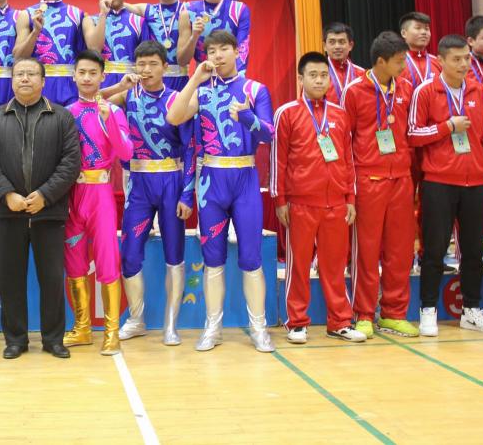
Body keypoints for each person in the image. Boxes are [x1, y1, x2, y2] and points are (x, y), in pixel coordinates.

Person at [169, 30, 276, 351]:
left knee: (251, 257)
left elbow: (269, 134)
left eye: (223, 49)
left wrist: (247, 117)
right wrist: (194, 79)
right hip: (210, 183)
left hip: (245, 180)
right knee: (213, 258)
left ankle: (259, 328)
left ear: (237, 51)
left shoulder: (255, 89)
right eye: (211, 51)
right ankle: (212, 328)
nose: (217, 55)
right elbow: (174, 117)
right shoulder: (201, 92)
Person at [0, 57, 81, 360]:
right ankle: (15, 339)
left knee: (52, 278)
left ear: (43, 81)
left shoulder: (61, 117)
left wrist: (46, 195)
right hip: (9, 212)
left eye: (31, 74)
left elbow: (71, 162)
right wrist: (6, 193)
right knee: (10, 279)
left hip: (49, 212)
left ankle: (53, 339)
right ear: (11, 81)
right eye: (19, 74)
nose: (25, 78)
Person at [99, 41, 194, 345]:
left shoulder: (177, 99)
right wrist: (119, 86)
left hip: (171, 182)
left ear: (165, 67)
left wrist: (187, 194)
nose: (146, 70)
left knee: (174, 254)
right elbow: (90, 100)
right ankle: (136, 319)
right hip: (138, 184)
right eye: (141, 64)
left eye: (153, 64)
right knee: (129, 253)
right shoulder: (129, 95)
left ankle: (171, 325)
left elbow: (190, 149)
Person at [408, 34, 483, 337]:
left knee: (474, 250)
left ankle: (471, 310)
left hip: (475, 181)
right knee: (435, 250)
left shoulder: (479, 90)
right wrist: (447, 126)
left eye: (466, 59)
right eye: (456, 59)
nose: (463, 64)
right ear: (440, 61)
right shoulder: (426, 91)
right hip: (439, 182)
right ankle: (428, 310)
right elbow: (413, 135)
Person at [272, 51, 365, 344]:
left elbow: (348, 160)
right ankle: (297, 322)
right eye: (313, 75)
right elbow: (278, 160)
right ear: (301, 78)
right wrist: (280, 200)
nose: (319, 80)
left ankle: (340, 321)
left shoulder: (340, 114)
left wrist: (350, 198)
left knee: (334, 266)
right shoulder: (287, 113)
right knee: (298, 265)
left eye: (324, 75)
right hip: (300, 203)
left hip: (336, 203)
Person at [341, 32, 418, 338]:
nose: (404, 66)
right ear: (381, 61)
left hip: (400, 179)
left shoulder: (406, 88)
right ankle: (363, 313)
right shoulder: (354, 91)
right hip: (368, 178)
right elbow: (344, 141)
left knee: (400, 251)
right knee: (367, 250)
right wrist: (349, 186)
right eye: (399, 61)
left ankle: (393, 313)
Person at [61, 50, 133, 356]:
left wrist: (108, 121)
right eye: (82, 72)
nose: (87, 78)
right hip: (71, 195)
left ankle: (112, 333)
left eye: (93, 73)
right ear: (74, 76)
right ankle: (82, 328)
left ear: (103, 76)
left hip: (101, 195)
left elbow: (126, 154)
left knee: (107, 260)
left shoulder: (114, 112)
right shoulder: (66, 113)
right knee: (74, 261)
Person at [125, 0, 252, 90]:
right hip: (200, 82)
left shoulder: (238, 9)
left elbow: (243, 47)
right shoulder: (187, 10)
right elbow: (182, 59)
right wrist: (194, 35)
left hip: (232, 79)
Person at [13, 0, 87, 105]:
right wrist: (35, 32)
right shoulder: (26, 14)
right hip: (37, 85)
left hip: (70, 87)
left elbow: (90, 52)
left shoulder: (77, 15)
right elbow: (18, 56)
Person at [179, 0, 251, 72]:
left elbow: (243, 49)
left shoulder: (239, 10)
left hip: (231, 75)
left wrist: (237, 79)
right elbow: (182, 61)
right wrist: (194, 37)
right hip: (202, 78)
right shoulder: (188, 11)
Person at [84, 0, 144, 88]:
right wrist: (103, 14)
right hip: (100, 85)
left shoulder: (139, 21)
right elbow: (94, 49)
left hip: (131, 85)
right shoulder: (90, 20)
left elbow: (145, 58)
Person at [323, 22, 365, 104]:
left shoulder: (362, 74)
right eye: (332, 42)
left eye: (341, 42)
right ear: (324, 46)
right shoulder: (317, 75)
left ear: (350, 45)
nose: (337, 46)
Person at [399, 11, 441, 88]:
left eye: (427, 29)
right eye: (418, 28)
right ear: (404, 33)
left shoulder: (438, 62)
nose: (424, 32)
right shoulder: (397, 63)